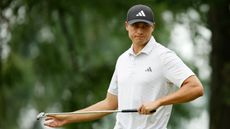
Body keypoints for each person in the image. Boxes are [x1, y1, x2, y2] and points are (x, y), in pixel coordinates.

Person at [44, 4, 204, 129]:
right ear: (127, 25)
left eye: (145, 26)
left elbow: (196, 88)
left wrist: (159, 102)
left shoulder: (164, 56)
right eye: (135, 26)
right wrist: (67, 117)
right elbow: (109, 104)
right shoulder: (122, 60)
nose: (140, 31)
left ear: (153, 27)